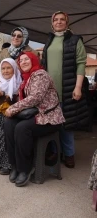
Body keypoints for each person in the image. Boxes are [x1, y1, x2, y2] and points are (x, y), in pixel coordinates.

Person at [3, 52, 65, 187]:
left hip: (49, 118)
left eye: (27, 59)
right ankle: (14, 165)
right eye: (21, 60)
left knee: (22, 128)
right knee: (8, 124)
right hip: (35, 115)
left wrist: (13, 108)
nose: (23, 62)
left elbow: (35, 97)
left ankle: (25, 169)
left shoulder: (40, 75)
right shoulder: (26, 78)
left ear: (34, 60)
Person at [41, 11, 88, 169]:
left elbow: (81, 63)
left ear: (67, 23)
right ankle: (55, 152)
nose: (59, 22)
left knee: (66, 125)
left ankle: (69, 154)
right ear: (52, 23)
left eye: (62, 20)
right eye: (56, 20)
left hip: (68, 89)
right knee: (52, 125)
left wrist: (78, 87)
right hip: (50, 93)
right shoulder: (49, 40)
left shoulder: (75, 40)